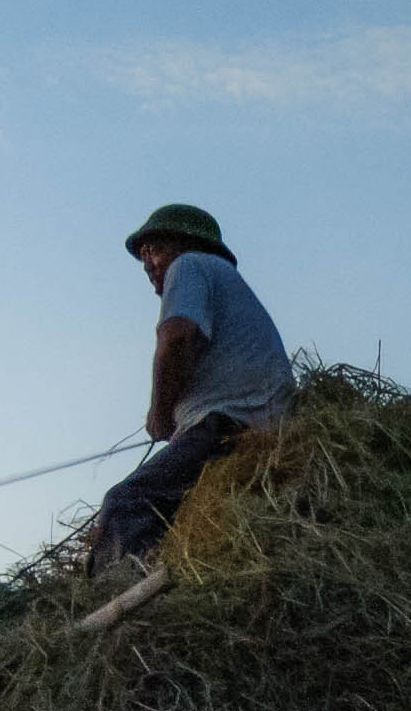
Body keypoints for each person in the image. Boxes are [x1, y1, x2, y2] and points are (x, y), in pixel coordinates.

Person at [91, 202, 292, 568]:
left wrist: (161, 413)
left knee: (127, 504)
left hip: (226, 426)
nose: (147, 264)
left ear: (183, 243)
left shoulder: (189, 266)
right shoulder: (224, 282)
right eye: (143, 256)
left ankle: (122, 609)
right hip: (249, 424)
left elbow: (178, 337)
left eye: (154, 250)